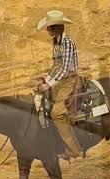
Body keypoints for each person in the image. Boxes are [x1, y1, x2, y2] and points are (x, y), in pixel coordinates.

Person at [37, 10, 83, 159]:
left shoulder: (68, 43)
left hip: (70, 80)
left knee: (56, 113)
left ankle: (75, 150)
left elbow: (65, 69)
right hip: (62, 80)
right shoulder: (56, 41)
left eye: (49, 27)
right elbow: (57, 65)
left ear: (55, 27)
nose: (47, 29)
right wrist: (47, 78)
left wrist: (49, 85)